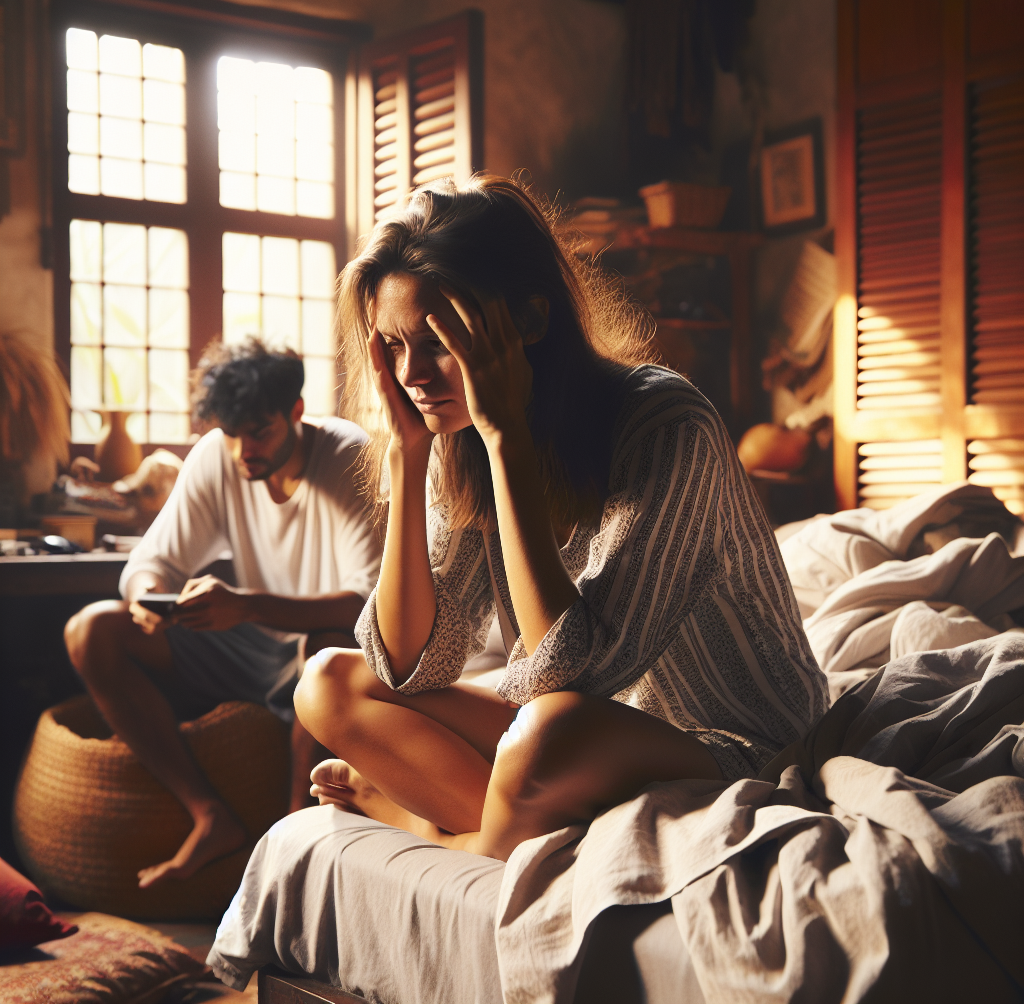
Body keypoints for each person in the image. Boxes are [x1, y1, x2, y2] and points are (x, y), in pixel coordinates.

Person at [294, 175, 828, 862]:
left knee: (545, 732)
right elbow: (407, 667)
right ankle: (499, 817)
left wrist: (507, 436)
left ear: (531, 321)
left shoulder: (668, 425)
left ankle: (435, 828)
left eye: (435, 341)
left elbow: (567, 678)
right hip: (590, 725)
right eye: (392, 347)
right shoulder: (459, 441)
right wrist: (406, 453)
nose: (412, 376)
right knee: (331, 683)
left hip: (742, 744)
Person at [64, 340, 381, 887]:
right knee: (92, 629)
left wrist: (246, 605)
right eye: (232, 433)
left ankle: (289, 858)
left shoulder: (349, 455)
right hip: (240, 643)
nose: (243, 451)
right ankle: (209, 815)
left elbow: (368, 606)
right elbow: (151, 561)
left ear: (296, 413)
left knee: (321, 653)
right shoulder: (219, 454)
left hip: (322, 648)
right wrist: (149, 598)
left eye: (259, 431)